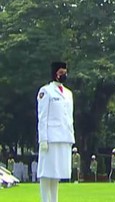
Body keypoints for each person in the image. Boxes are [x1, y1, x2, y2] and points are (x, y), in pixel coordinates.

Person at [37, 61, 74, 202]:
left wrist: (71, 137)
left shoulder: (69, 94)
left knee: (56, 174)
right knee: (46, 173)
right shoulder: (46, 91)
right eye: (61, 73)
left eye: (65, 73)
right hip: (50, 138)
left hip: (64, 137)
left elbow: (69, 118)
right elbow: (42, 117)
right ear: (55, 74)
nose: (64, 75)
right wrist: (43, 139)